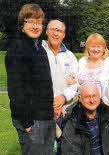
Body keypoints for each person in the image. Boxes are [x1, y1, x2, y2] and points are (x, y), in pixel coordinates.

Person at [5, 4, 55, 154]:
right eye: (30, 21)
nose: (35, 26)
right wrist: (27, 123)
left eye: (39, 22)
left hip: (46, 117)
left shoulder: (40, 48)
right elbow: (16, 90)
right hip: (32, 120)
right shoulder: (17, 48)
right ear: (22, 24)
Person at [61, 82, 109, 155]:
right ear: (79, 99)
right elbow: (69, 151)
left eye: (94, 96)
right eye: (87, 97)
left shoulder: (108, 112)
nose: (92, 100)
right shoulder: (72, 120)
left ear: (99, 96)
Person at [42, 20, 78, 122]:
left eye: (60, 31)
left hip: (65, 111)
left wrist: (63, 98)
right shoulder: (38, 52)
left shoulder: (70, 56)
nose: (56, 33)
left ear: (64, 35)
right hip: (41, 111)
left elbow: (74, 83)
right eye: (53, 29)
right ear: (47, 31)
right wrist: (52, 105)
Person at [78, 33, 109, 109]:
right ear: (87, 48)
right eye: (93, 46)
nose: (96, 50)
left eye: (99, 47)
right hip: (83, 108)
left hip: (106, 108)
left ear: (104, 48)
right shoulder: (81, 63)